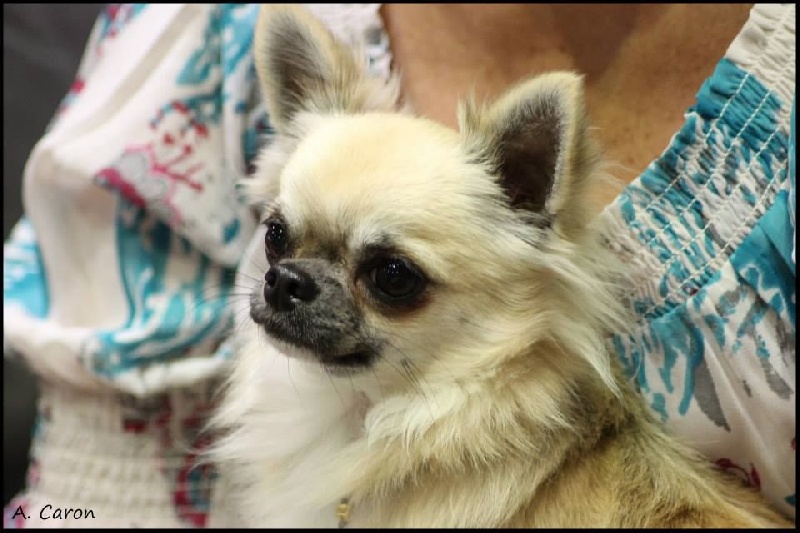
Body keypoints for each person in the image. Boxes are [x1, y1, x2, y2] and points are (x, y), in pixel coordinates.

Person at [3, 3, 794, 527]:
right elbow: (84, 489)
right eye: (279, 240)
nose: (289, 282)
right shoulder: (210, 28)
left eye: (391, 280)